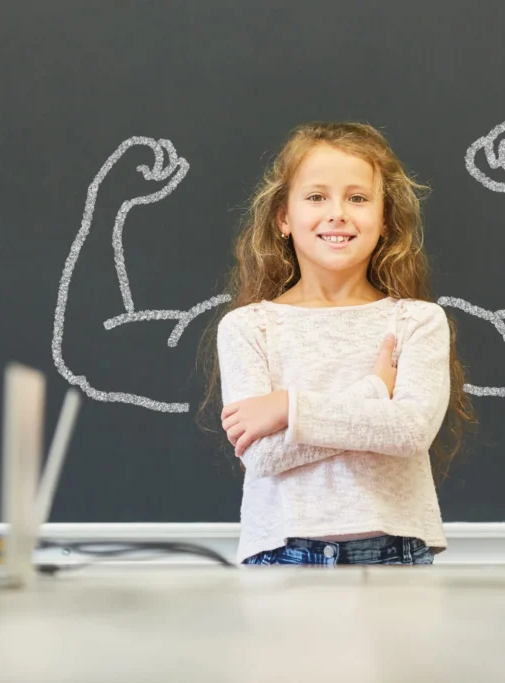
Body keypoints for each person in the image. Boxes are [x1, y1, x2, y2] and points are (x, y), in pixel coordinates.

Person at [197, 121, 475, 566]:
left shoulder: (417, 321)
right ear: (283, 218)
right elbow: (265, 455)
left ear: (384, 220)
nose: (338, 213)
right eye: (316, 197)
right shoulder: (249, 327)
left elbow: (408, 432)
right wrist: (371, 394)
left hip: (393, 551)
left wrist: (288, 407)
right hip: (281, 552)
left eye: (358, 198)